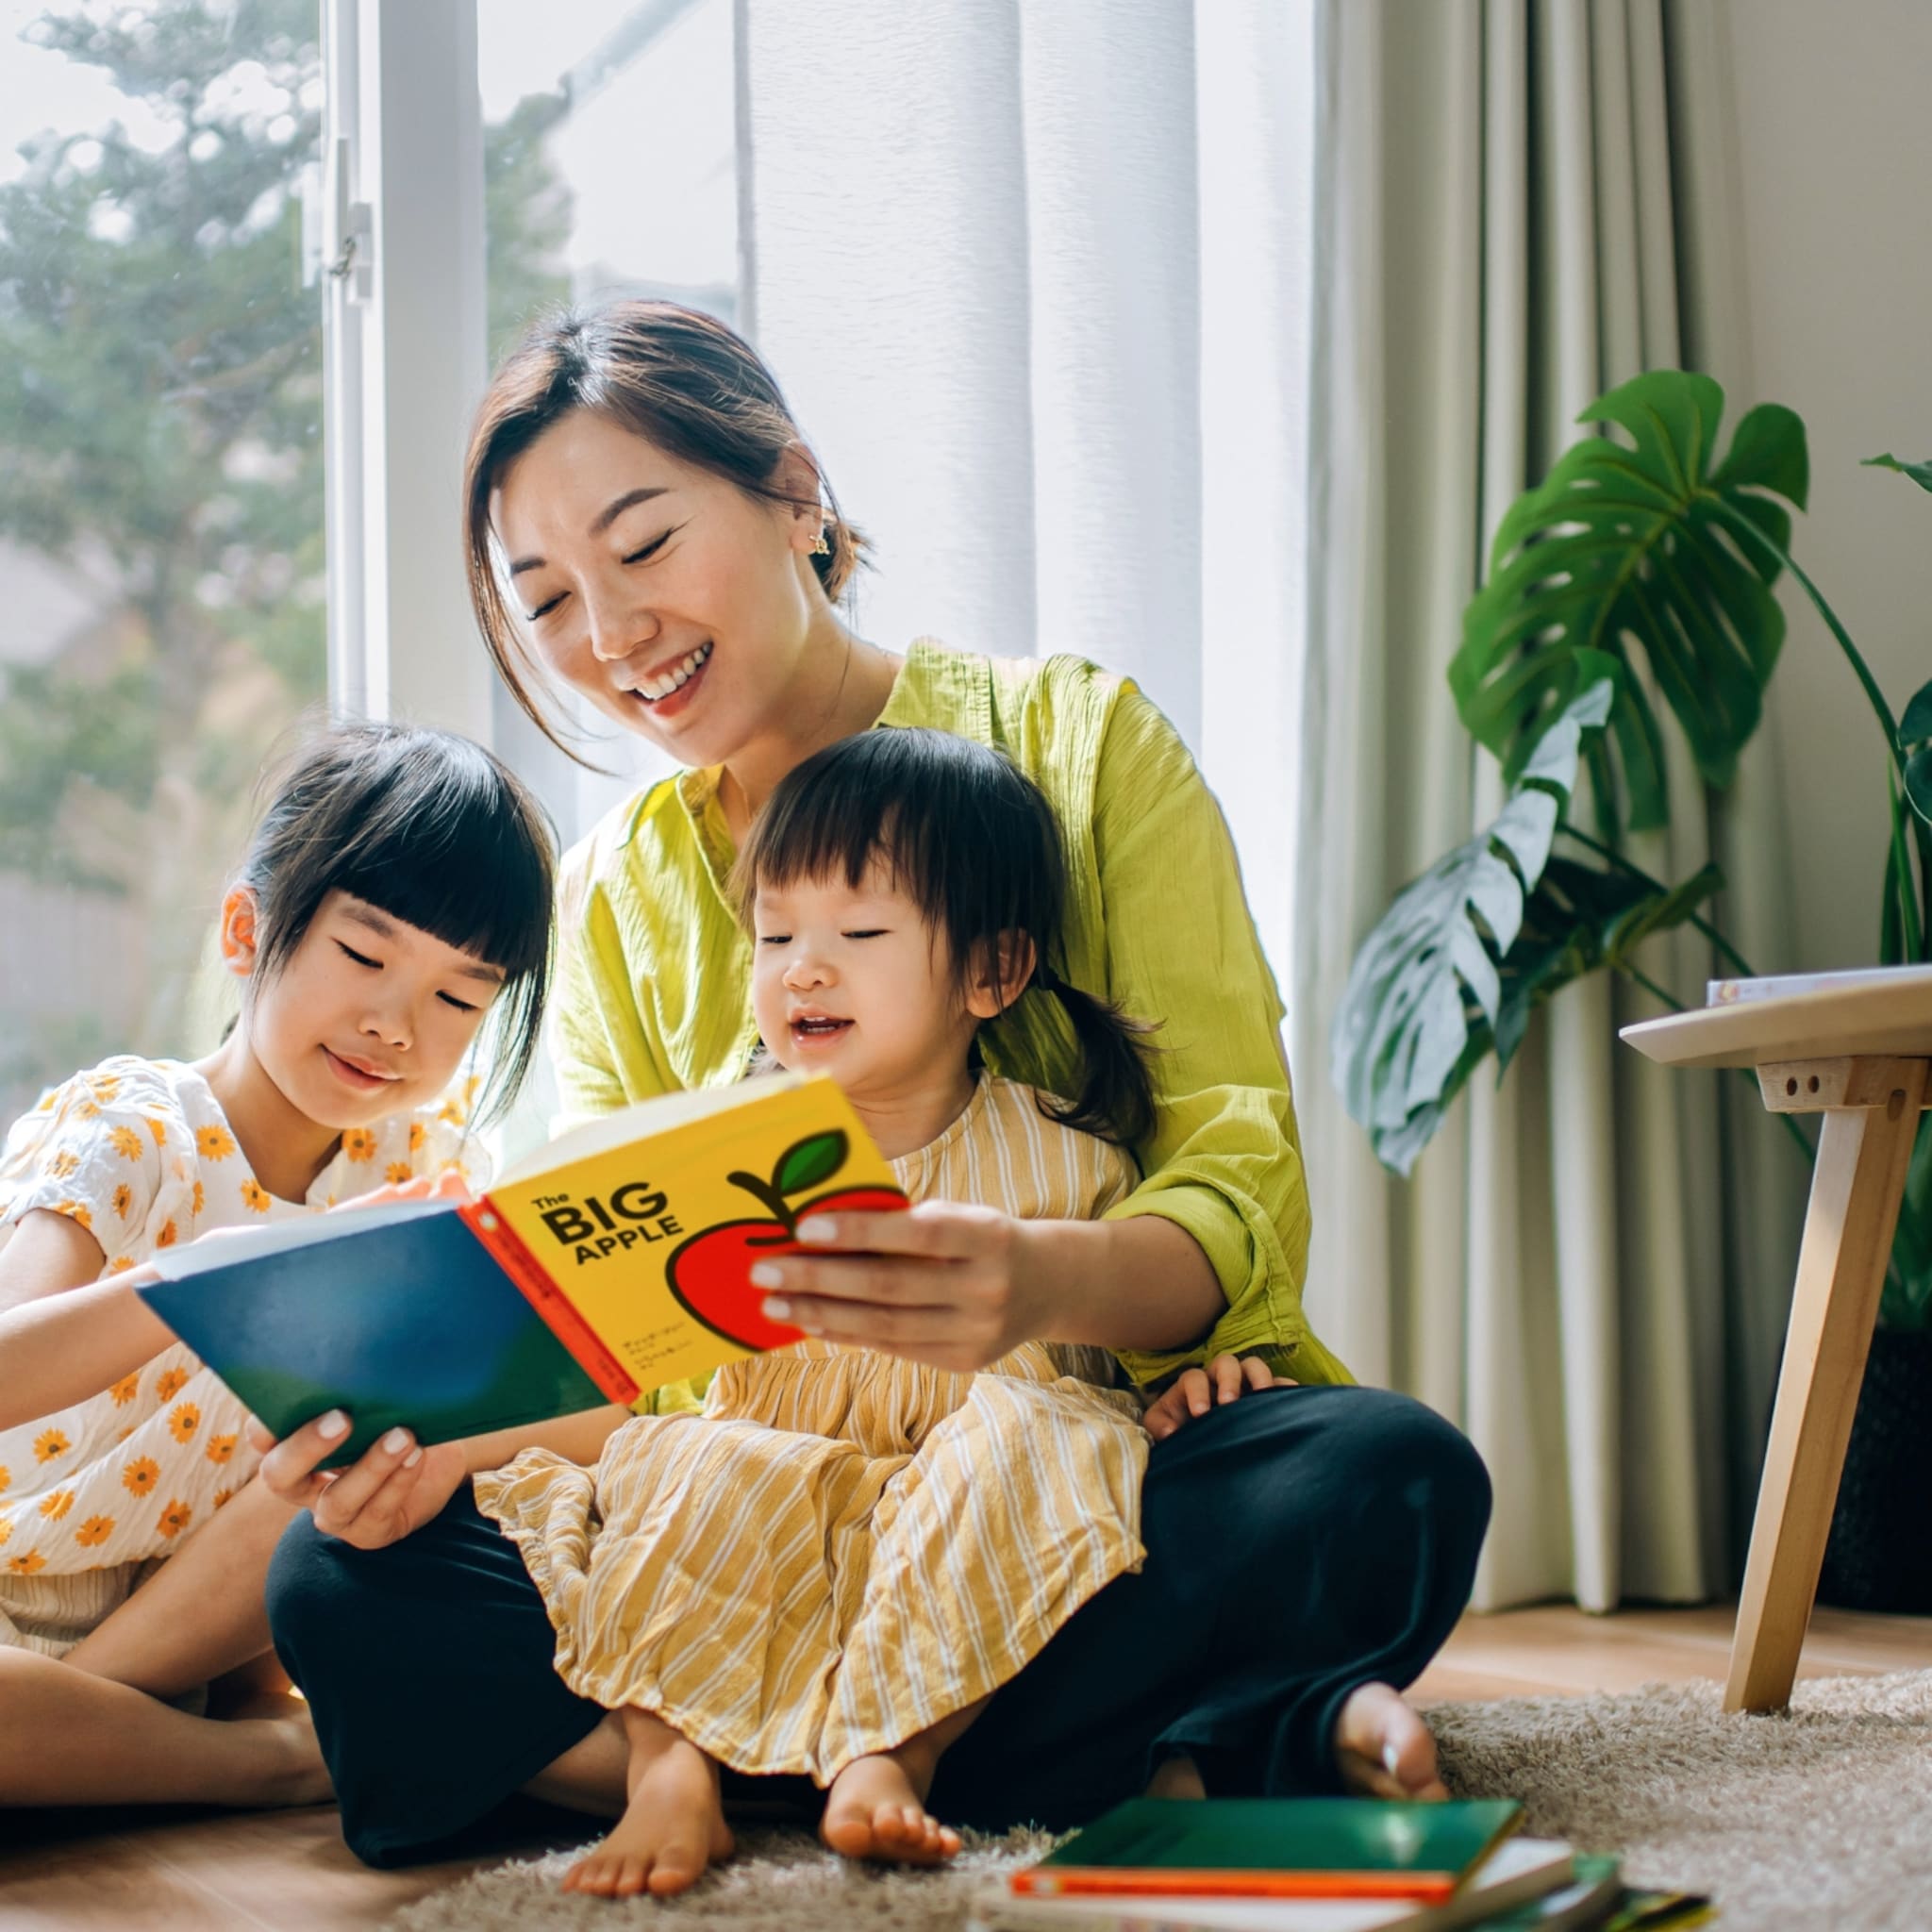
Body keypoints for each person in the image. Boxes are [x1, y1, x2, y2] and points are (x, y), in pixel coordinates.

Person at [261, 300, 1492, 1877]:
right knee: (333, 1576)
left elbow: (1230, 1172)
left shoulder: (1079, 743)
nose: (613, 633)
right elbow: (635, 1346)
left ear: (794, 492)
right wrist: (441, 1446)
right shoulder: (624, 892)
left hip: (1057, 1468)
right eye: (552, 597)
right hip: (748, 1502)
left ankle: (748, 1749)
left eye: (642, 545)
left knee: (1379, 1476)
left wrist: (1039, 1281)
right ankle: (1055, 1741)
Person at [481, 726, 1243, 1898]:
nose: (801, 966)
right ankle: (668, 1759)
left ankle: (890, 1750)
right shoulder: (713, 1147)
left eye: (860, 932)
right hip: (768, 1476)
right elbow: (641, 1372)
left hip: (962, 1505)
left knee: (1052, 1432)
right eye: (775, 933)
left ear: (991, 972)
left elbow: (1113, 1381)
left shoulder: (1065, 1158)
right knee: (685, 1459)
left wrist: (1194, 1384)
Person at [0, 721, 598, 1810]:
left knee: (350, 1467)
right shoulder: (134, 1131)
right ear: (244, 928)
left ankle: (87, 1739)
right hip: (16, 1593)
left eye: (458, 997)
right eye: (364, 955)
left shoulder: (423, 1160)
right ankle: (251, 1762)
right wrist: (212, 1277)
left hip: (186, 1624)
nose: (394, 1025)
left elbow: (569, 1414)